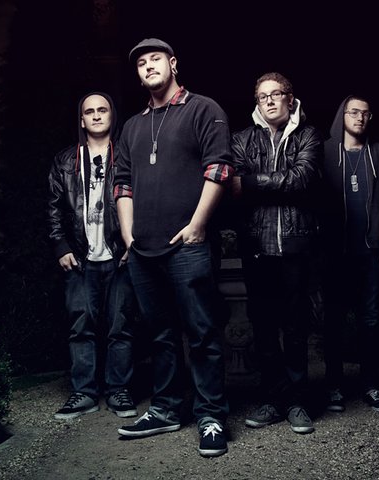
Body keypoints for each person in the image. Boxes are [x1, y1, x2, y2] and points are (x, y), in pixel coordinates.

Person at [114, 38, 232, 457]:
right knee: (160, 336)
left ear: (174, 63)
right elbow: (122, 184)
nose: (148, 66)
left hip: (187, 246)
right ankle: (165, 409)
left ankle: (211, 416)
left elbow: (219, 168)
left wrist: (198, 226)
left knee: (201, 334)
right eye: (141, 63)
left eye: (155, 59)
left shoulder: (203, 109)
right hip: (143, 251)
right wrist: (128, 237)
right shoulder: (132, 126)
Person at [230, 72, 324, 434]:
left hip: (296, 246)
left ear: (290, 98)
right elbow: (233, 188)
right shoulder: (241, 139)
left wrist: (252, 182)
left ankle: (298, 402)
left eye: (276, 94)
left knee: (296, 328)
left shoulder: (308, 135)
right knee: (264, 328)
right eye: (262, 96)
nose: (269, 100)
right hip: (257, 246)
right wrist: (271, 183)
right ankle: (273, 399)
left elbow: (302, 180)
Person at [48, 92, 138, 420]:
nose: (97, 115)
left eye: (102, 110)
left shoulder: (127, 156)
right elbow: (54, 208)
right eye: (90, 111)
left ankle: (118, 391)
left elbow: (141, 201)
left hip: (119, 256)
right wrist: (61, 246)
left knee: (121, 327)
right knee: (80, 327)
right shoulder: (65, 160)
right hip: (80, 258)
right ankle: (84, 393)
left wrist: (132, 245)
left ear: (112, 115)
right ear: (82, 120)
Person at [321, 95, 379, 413]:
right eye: (354, 112)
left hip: (370, 250)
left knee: (371, 320)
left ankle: (371, 385)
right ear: (343, 115)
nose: (360, 117)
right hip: (336, 253)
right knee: (334, 320)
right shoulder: (326, 151)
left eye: (365, 113)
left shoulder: (377, 152)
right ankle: (334, 386)